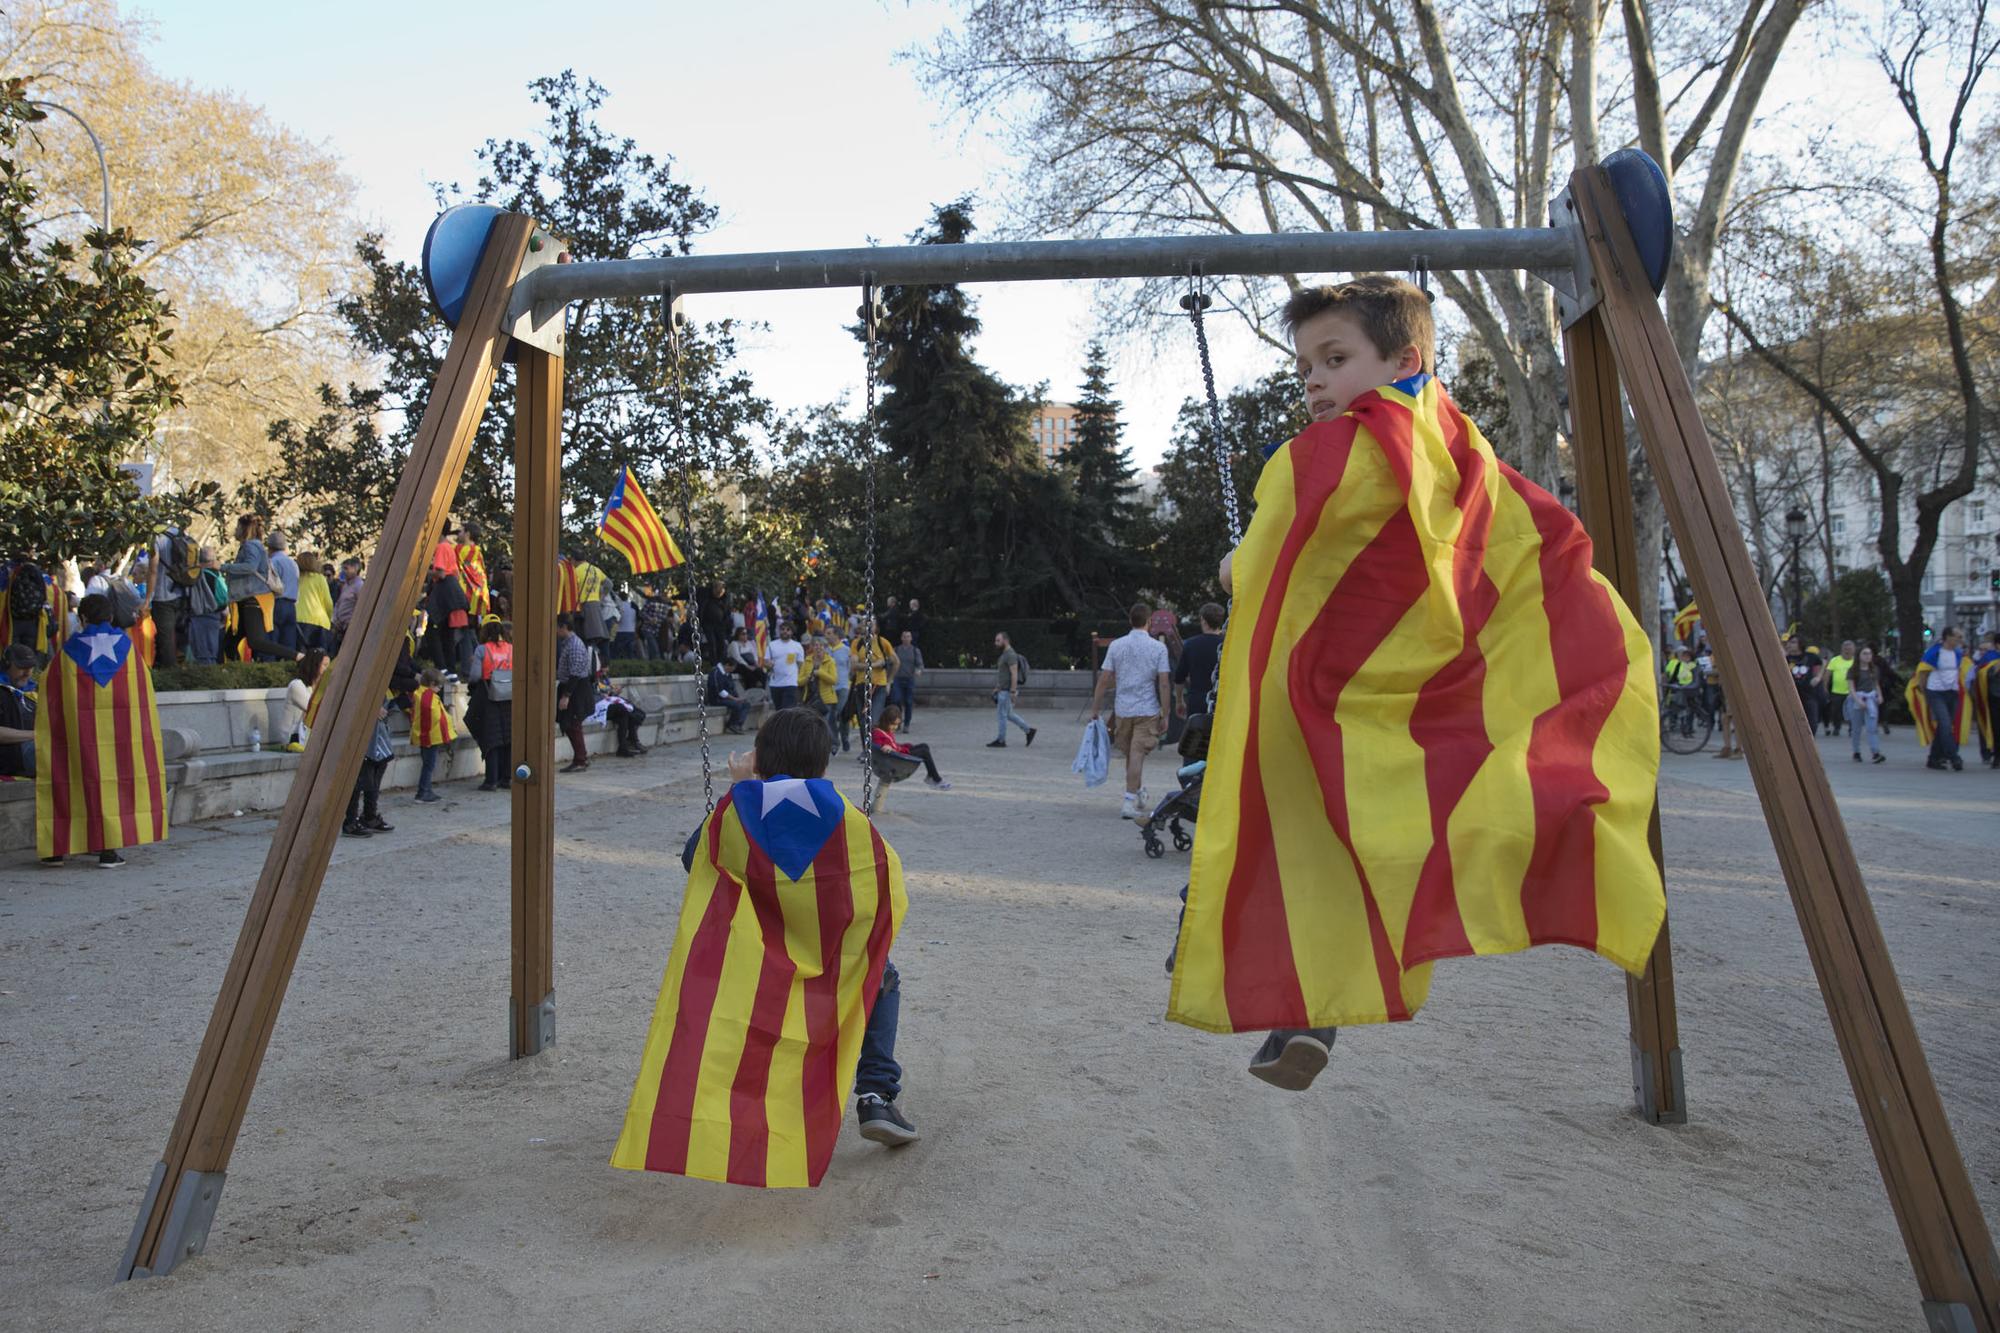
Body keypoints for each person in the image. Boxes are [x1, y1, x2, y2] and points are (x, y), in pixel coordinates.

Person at [610, 706, 916, 1182]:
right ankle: (877, 1094)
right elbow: (879, 881)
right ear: (822, 766)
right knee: (883, 977)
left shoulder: (740, 810)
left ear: (759, 760)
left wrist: (737, 789)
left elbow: (697, 858)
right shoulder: (843, 814)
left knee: (718, 998)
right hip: (827, 958)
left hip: (754, 958)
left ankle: (715, 1098)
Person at [37, 593, 168, 867]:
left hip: (77, 735)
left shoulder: (67, 653)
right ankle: (108, 850)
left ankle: (57, 849)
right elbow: (143, 694)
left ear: (82, 618)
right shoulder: (129, 649)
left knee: (67, 779)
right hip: (120, 737)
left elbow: (49, 689)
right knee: (114, 785)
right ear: (110, 618)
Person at [1089, 603, 1172, 819]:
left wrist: (1095, 709)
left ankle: (1138, 791)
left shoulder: (1116, 646)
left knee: (1131, 755)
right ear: (1149, 622)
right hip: (1147, 708)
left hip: (1123, 709)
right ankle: (1128, 800)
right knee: (1136, 755)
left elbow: (1104, 679)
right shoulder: (1158, 648)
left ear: (1130, 621)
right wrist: (1166, 712)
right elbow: (1164, 682)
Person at [223, 514, 288, 663]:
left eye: (238, 527)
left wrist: (223, 567)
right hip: (248, 599)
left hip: (253, 599)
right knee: (230, 642)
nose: (236, 530)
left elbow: (250, 567)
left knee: (256, 642)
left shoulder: (250, 545)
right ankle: (236, 673)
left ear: (245, 529)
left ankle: (297, 656)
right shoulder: (254, 545)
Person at [1914, 626, 1969, 771]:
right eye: (1957, 636)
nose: (1959, 639)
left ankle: (1933, 758)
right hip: (1936, 693)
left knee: (1943, 727)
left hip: (1952, 692)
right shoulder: (1934, 652)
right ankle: (1954, 757)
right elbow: (1923, 673)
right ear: (1948, 637)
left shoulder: (1957, 653)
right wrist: (1925, 694)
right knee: (1945, 724)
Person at [473, 619, 514, 791]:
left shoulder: (482, 649)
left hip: (489, 697)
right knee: (508, 740)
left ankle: (491, 780)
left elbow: (475, 676)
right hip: (509, 697)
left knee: (492, 739)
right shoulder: (511, 648)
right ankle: (507, 778)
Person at [873, 703, 951, 790]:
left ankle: (930, 775)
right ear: (885, 721)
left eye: (897, 725)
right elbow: (879, 748)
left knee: (924, 746)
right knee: (924, 752)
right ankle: (936, 779)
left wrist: (905, 746)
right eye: (893, 724)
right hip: (895, 760)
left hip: (897, 754)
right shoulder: (878, 733)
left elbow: (893, 745)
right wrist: (885, 748)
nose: (895, 727)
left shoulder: (886, 730)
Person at [555, 616, 596, 773]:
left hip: (576, 690)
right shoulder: (568, 644)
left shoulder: (575, 645)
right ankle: (580, 758)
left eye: (557, 627)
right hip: (571, 687)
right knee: (571, 725)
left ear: (564, 627)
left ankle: (580, 759)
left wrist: (567, 695)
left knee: (573, 725)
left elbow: (576, 673)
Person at [1172, 603, 1225, 719]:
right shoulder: (1228, 645)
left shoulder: (1191, 645)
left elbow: (1179, 677)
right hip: (1224, 702)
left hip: (1198, 702)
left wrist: (1179, 701)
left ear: (1203, 620)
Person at [147, 522, 189, 668]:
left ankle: (170, 676)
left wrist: (147, 599)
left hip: (162, 595)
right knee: (180, 634)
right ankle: (184, 667)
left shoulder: (155, 536)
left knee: (166, 639)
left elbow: (153, 569)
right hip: (183, 592)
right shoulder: (181, 533)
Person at [411, 667, 455, 800]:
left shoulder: (420, 693)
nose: (440, 689)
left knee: (427, 764)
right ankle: (423, 792)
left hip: (425, 735)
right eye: (439, 686)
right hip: (430, 736)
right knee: (429, 765)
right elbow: (435, 715)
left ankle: (426, 790)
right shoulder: (428, 696)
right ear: (432, 684)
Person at [987, 630, 1036, 749]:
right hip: (1003, 690)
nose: (996, 643)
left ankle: (1001, 740)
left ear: (1006, 640)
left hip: (1006, 691)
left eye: (998, 640)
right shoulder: (1005, 654)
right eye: (996, 641)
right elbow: (1004, 674)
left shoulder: (1010, 654)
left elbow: (1014, 674)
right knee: (1009, 715)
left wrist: (1013, 692)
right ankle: (1029, 731)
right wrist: (997, 687)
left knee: (1002, 715)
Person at [848, 616, 899, 730]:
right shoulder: (856, 643)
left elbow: (896, 662)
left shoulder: (882, 642)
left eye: (871, 624)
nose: (868, 627)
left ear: (876, 627)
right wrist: (876, 664)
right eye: (865, 624)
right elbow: (854, 665)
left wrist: (889, 682)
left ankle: (874, 746)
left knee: (872, 719)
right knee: (862, 721)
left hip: (878, 685)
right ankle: (866, 748)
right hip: (861, 685)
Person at [0, 643, 36, 778]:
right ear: (6, 665)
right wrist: (37, 735)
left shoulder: (35, 691)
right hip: (11, 757)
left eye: (30, 667)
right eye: (22, 668)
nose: (27, 673)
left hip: (34, 748)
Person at [187, 546, 228, 666]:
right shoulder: (217, 576)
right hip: (215, 616)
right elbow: (224, 599)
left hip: (199, 616)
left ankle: (206, 679)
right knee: (212, 651)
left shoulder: (196, 576)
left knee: (202, 652)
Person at [1846, 645, 1885, 764]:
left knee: (1872, 727)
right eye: (1865, 654)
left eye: (1869, 654)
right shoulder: (1853, 670)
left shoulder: (1874, 669)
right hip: (1857, 699)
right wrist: (1858, 701)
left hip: (1871, 699)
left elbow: (1876, 684)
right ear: (1859, 656)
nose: (1868, 656)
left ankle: (1875, 752)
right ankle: (1856, 751)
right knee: (1856, 728)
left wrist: (1880, 695)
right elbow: (1851, 688)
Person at [282, 650, 327, 752]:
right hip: (292, 738)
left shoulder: (319, 687)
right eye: (325, 665)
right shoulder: (296, 685)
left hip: (308, 736)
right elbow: (314, 709)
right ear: (314, 665)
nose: (328, 669)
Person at [598, 680, 649, 758]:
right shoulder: (591, 679)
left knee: (636, 713)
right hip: (601, 706)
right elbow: (595, 694)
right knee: (625, 711)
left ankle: (626, 745)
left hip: (611, 702)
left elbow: (608, 691)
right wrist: (607, 694)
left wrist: (614, 692)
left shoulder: (602, 678)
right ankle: (632, 741)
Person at [268, 531, 301, 653]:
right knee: (289, 645)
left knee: (272, 643)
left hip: (276, 603)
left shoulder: (272, 562)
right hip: (291, 605)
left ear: (269, 547)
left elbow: (270, 584)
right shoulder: (293, 564)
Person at [295, 552, 333, 653]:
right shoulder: (320, 579)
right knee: (318, 657)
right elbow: (328, 602)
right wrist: (329, 618)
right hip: (319, 622)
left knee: (300, 655)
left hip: (297, 620)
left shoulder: (295, 579)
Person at [1784, 635, 1823, 733]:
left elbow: (1822, 663)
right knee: (1792, 722)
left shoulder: (1810, 656)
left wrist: (1817, 677)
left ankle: (1810, 743)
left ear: (1800, 644)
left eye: (1793, 642)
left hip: (1809, 693)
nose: (1790, 644)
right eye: (1789, 642)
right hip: (1791, 694)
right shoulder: (1785, 658)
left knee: (1812, 722)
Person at [804, 636, 841, 738]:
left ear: (825, 647)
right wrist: (807, 678)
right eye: (816, 645)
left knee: (824, 725)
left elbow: (834, 680)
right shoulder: (807, 661)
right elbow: (799, 680)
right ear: (812, 647)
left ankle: (830, 746)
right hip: (811, 699)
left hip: (826, 699)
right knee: (812, 726)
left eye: (821, 645)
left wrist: (820, 673)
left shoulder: (830, 661)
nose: (818, 647)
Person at [889, 629, 924, 731]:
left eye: (908, 636)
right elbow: (890, 663)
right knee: (896, 700)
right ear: (901, 638)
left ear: (911, 638)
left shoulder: (915, 651)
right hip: (897, 679)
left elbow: (920, 664)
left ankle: (907, 723)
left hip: (909, 679)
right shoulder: (896, 650)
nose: (906, 638)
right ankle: (898, 720)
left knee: (908, 702)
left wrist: (918, 670)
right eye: (904, 636)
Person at [766, 622, 805, 709]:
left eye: (788, 630)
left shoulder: (797, 646)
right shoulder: (772, 645)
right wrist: (769, 664)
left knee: (787, 710)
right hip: (775, 684)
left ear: (792, 632)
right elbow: (766, 661)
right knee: (779, 711)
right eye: (783, 629)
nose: (785, 632)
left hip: (791, 683)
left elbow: (800, 664)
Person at [1662, 645, 1700, 734]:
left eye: (1686, 656)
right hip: (1679, 688)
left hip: (1689, 690)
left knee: (1689, 710)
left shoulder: (1693, 665)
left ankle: (1688, 728)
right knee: (1676, 707)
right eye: (1683, 655)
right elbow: (1673, 675)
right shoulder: (1677, 664)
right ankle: (1675, 725)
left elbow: (1694, 679)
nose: (1684, 657)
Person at [705, 657, 749, 734]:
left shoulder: (727, 674)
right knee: (737, 705)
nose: (733, 670)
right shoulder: (716, 673)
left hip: (728, 698)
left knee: (746, 704)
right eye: (732, 668)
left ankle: (737, 724)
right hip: (717, 699)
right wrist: (735, 699)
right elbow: (720, 691)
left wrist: (737, 697)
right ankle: (732, 724)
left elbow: (731, 687)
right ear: (727, 665)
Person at [330, 558, 364, 654]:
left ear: (355, 569)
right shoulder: (345, 586)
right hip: (340, 626)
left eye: (346, 568)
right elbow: (339, 603)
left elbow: (360, 607)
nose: (343, 572)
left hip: (350, 627)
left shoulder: (359, 586)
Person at [1825, 640, 1856, 738]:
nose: (1847, 651)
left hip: (1852, 692)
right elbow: (1827, 675)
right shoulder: (1835, 660)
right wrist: (1825, 687)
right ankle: (1836, 728)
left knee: (1852, 711)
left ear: (1853, 650)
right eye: (1845, 648)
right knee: (1836, 711)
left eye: (1849, 649)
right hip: (1837, 691)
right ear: (1842, 649)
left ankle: (1852, 729)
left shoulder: (1856, 661)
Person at [830, 633, 854, 752]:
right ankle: (835, 741)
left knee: (842, 714)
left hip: (843, 686)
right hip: (830, 687)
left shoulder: (847, 650)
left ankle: (845, 737)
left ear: (837, 636)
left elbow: (851, 667)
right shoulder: (826, 650)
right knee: (832, 715)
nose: (827, 636)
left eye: (830, 633)